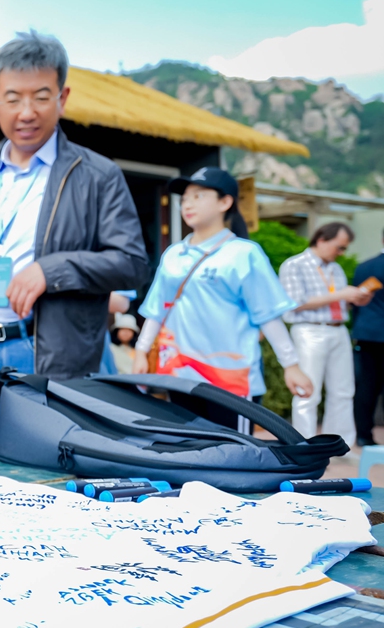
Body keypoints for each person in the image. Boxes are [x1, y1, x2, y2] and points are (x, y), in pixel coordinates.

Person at [0, 31, 149, 460]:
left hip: (47, 354)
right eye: (13, 98)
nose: (26, 112)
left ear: (62, 98)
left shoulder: (97, 175)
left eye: (41, 97)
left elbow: (132, 263)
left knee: (49, 478)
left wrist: (53, 270)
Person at [133, 168, 311, 433]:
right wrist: (140, 351)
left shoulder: (244, 253)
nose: (188, 204)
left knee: (234, 459)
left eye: (199, 195)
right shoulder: (173, 254)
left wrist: (291, 365)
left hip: (231, 380)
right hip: (178, 375)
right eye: (185, 198)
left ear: (225, 202)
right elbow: (157, 309)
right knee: (186, 454)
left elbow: (267, 315)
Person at [280, 222, 373, 447]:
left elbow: (337, 303)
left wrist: (355, 299)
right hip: (309, 330)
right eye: (339, 247)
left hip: (338, 328)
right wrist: (340, 294)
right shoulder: (294, 265)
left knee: (343, 391)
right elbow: (293, 303)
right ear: (321, 240)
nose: (341, 253)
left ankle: (339, 446)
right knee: (307, 393)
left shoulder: (335, 269)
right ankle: (304, 446)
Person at [352, 229, 384, 446]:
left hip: (367, 334)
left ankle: (364, 435)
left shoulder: (363, 266)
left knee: (366, 386)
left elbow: (356, 303)